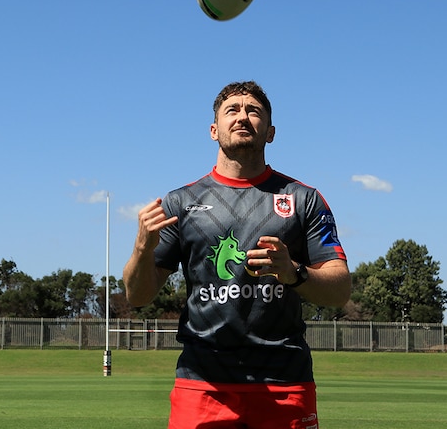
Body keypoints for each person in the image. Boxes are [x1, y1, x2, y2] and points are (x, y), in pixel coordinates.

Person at [123, 80, 351, 429]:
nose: (242, 117)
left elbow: (340, 291)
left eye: (253, 111)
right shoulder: (179, 204)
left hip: (284, 384)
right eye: (232, 110)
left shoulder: (304, 199)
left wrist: (294, 273)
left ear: (271, 132)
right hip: (202, 385)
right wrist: (142, 248)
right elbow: (137, 296)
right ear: (214, 130)